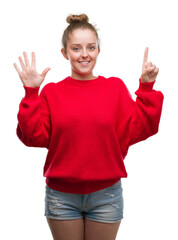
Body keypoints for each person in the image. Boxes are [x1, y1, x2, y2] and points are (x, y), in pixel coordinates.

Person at [14, 13, 164, 240]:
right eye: (76, 48)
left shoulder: (114, 88)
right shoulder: (53, 92)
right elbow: (32, 136)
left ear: (98, 50)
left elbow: (142, 127)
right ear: (64, 53)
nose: (84, 54)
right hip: (61, 196)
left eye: (91, 47)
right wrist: (31, 92)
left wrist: (146, 87)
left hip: (106, 196)